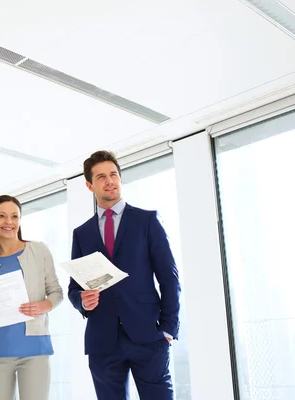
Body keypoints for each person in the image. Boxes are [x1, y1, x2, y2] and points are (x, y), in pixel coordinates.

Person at [68, 150, 181, 400]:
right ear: (89, 185)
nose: (109, 181)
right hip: (102, 340)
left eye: (113, 174)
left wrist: (169, 328)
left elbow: (169, 277)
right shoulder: (82, 233)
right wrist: (82, 302)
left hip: (148, 336)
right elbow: (74, 288)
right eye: (101, 177)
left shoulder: (147, 221)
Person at [0, 195, 63, 400]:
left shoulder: (38, 250)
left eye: (15, 216)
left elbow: (57, 292)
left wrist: (43, 306)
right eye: (2, 216)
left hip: (34, 349)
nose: (9, 222)